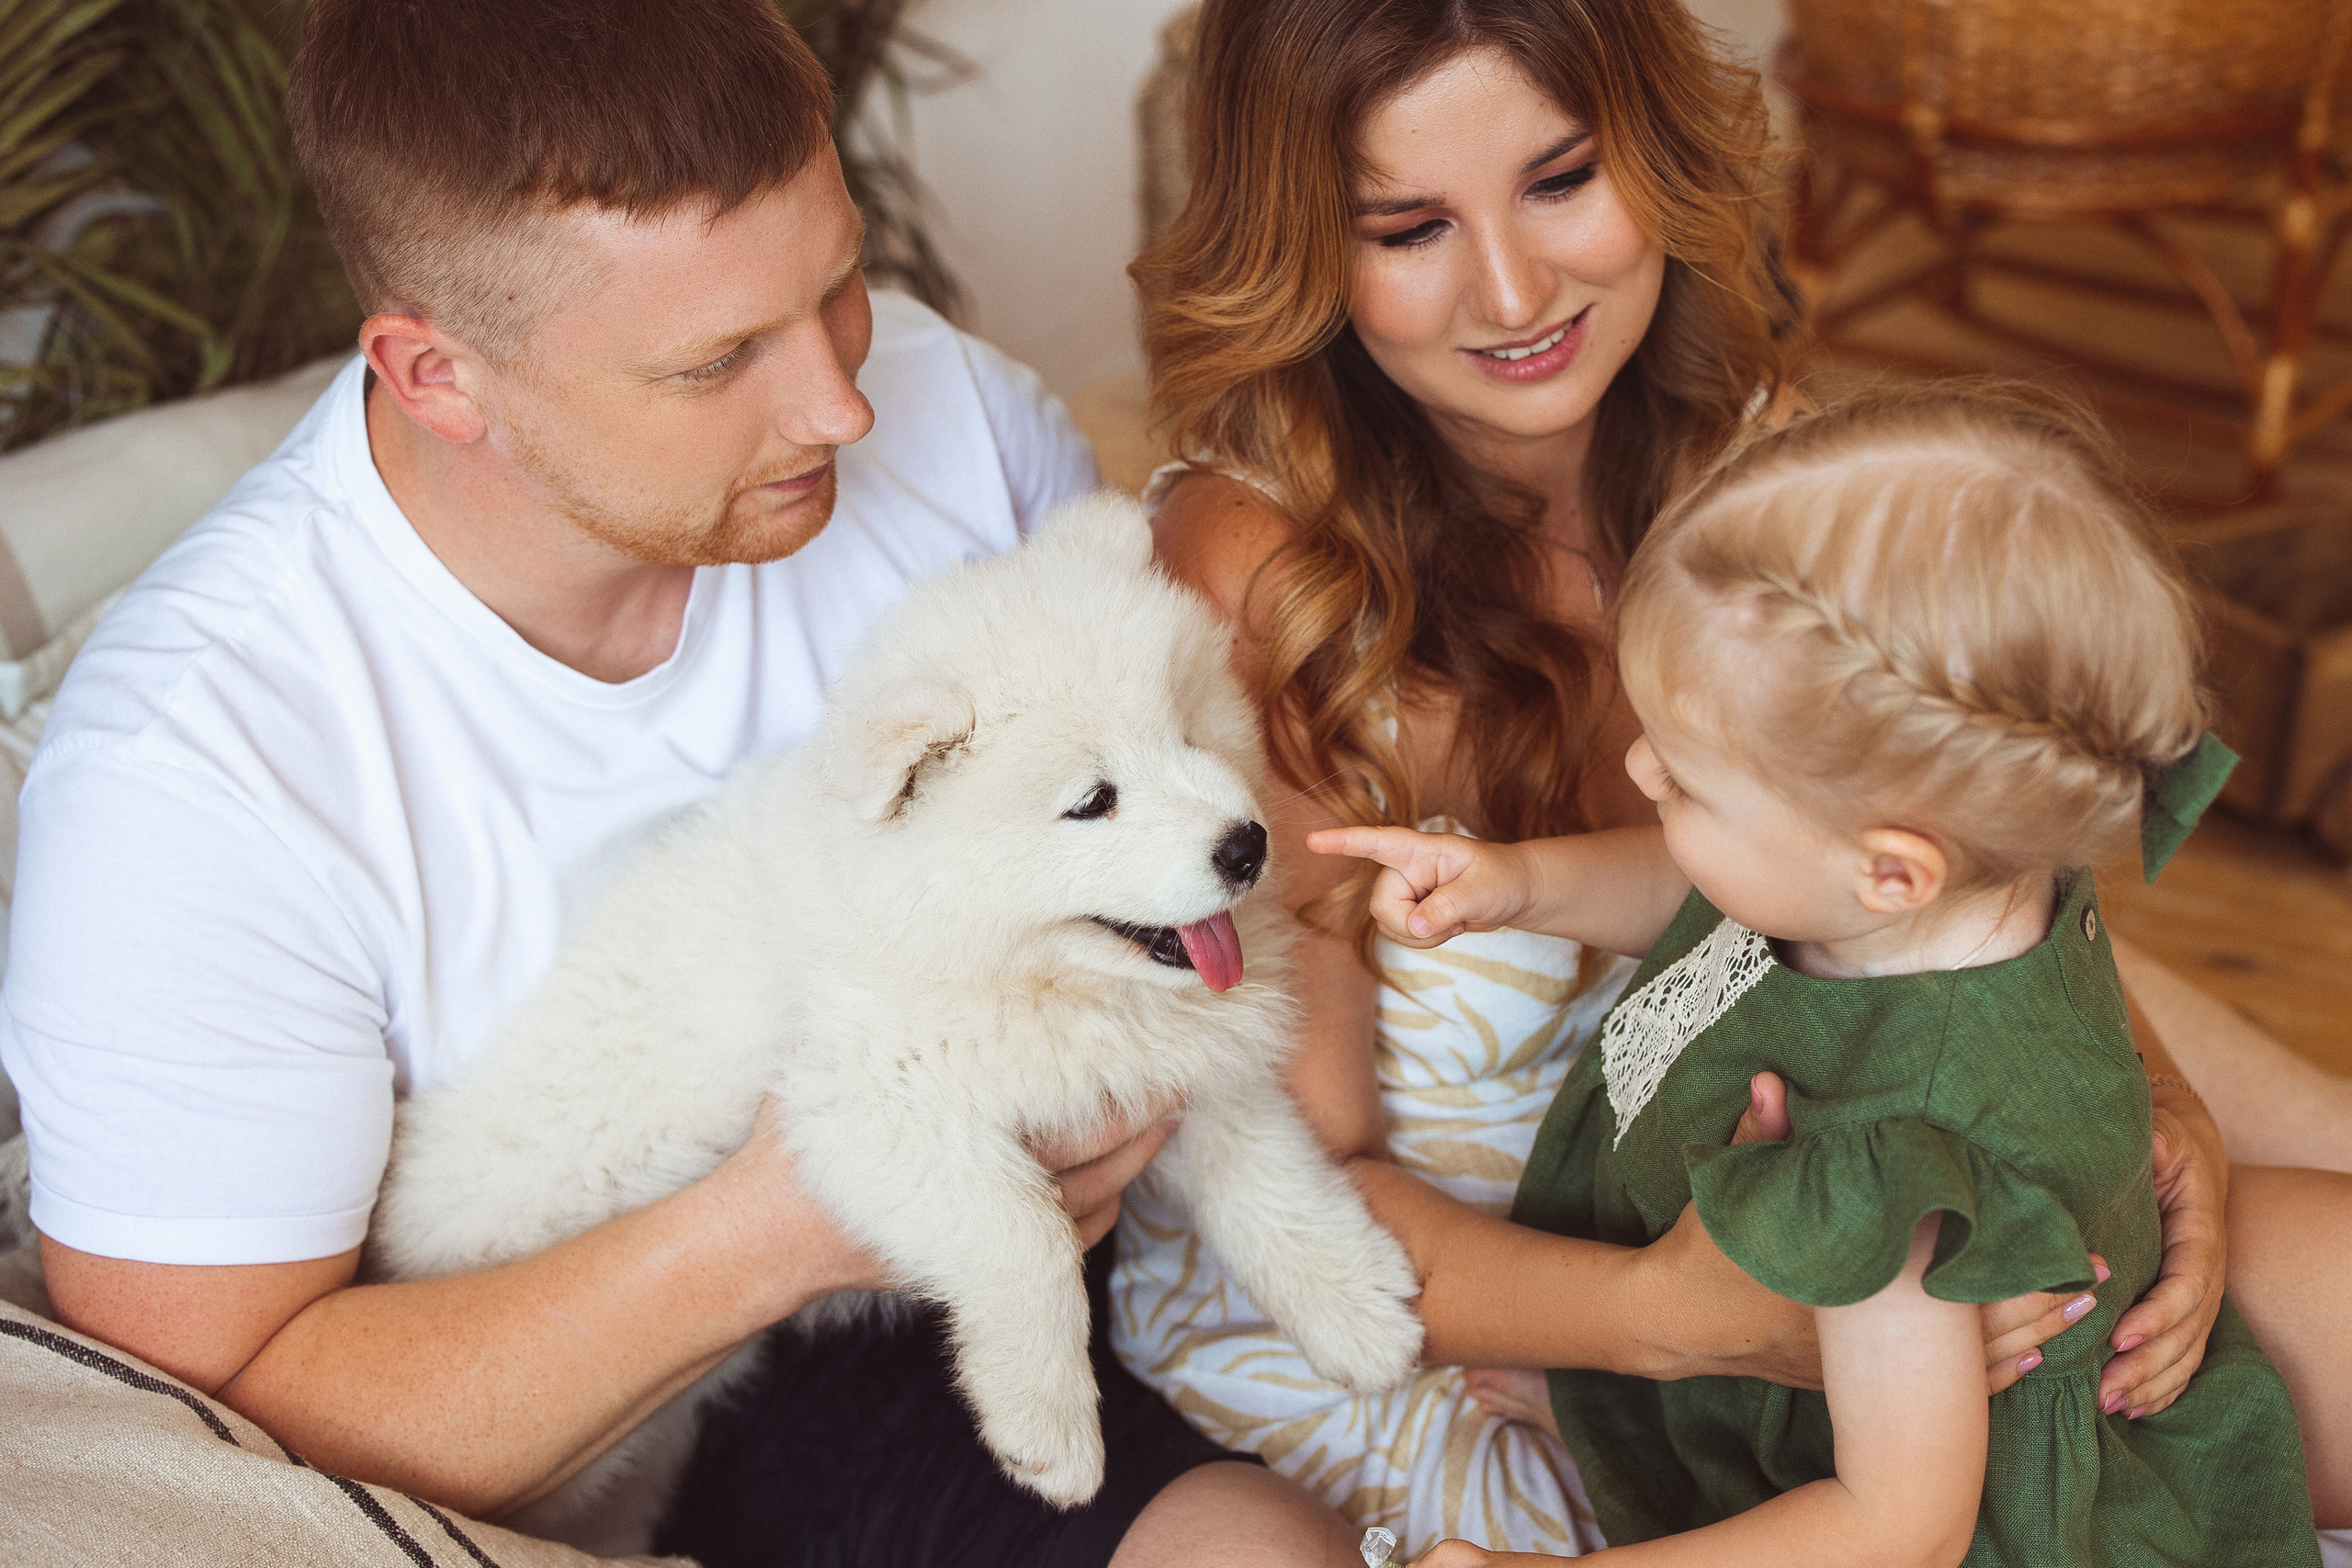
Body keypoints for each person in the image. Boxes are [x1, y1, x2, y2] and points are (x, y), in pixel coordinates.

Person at [0, 2, 1367, 1562]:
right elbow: (197, 1439)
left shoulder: (950, 415)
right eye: (719, 359)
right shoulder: (195, 774)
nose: (843, 405)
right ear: (437, 374)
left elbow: (1203, 802)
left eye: (841, 283)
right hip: (625, 1375)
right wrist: (782, 1231)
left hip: (1057, 1240)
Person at [1113, 0, 2352, 1555]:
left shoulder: (1760, 448)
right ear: (1300, 245)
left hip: (1855, 1195)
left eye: (1562, 181)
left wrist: (2158, 1123)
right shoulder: (1260, 585)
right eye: (1409, 226)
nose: (1512, 292)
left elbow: (1965, 867)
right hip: (1500, 1331)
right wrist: (1682, 1321)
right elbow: (1299, 1201)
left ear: (1658, 143)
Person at [1321, 382, 2325, 1565]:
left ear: (1889, 872)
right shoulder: (1928, 888)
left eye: (1690, 781)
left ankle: (1676, 1442)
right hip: (1788, 1363)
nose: (1639, 769)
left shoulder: (1897, 1149)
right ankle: (1652, 1418)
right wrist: (1518, 884)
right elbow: (1697, 896)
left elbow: (1895, 1523)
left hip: (1901, 1486)